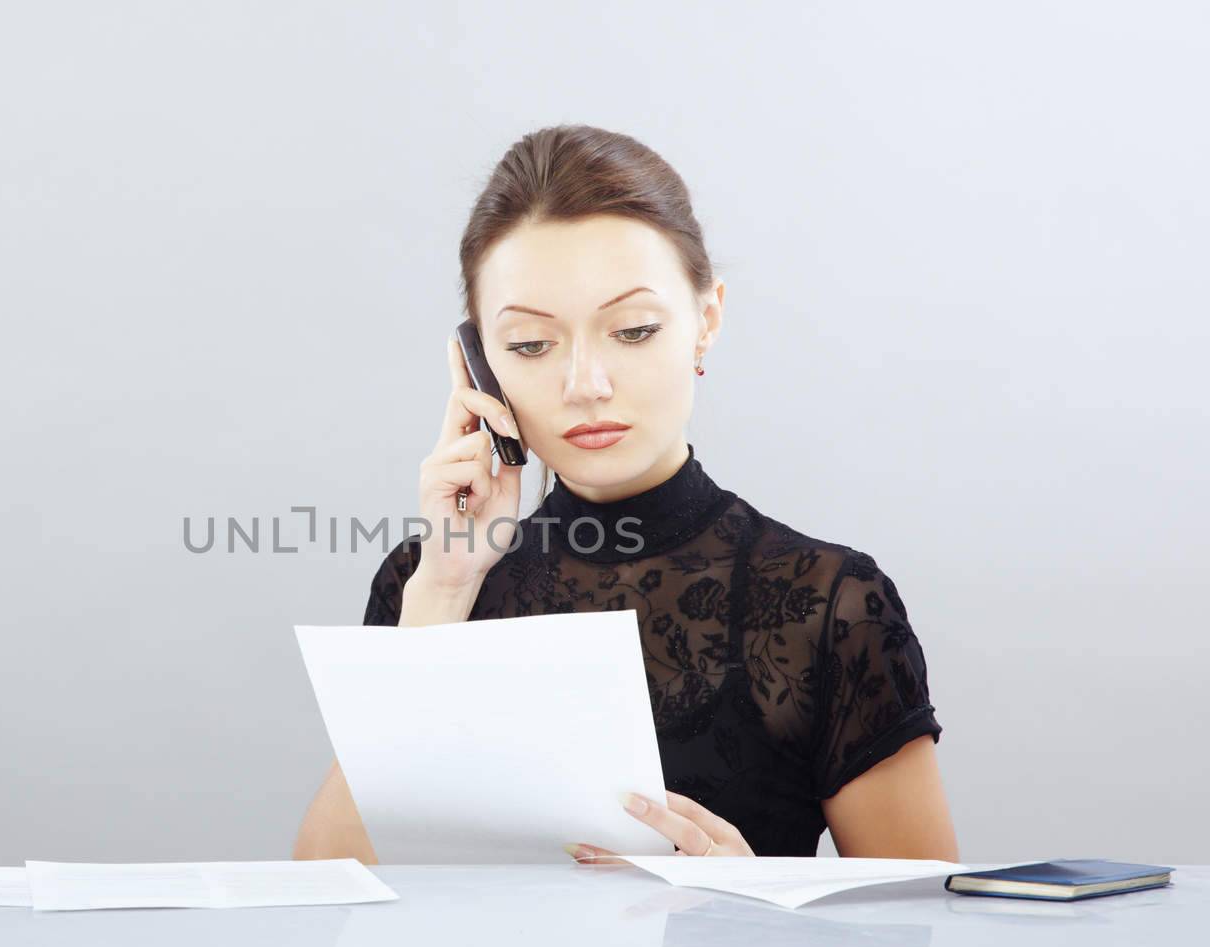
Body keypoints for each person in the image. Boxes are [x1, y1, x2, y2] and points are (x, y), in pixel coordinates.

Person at [292, 124, 958, 863]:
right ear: (478, 364)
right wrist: (442, 596)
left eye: (633, 331)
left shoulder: (831, 602)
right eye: (531, 346)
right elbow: (327, 893)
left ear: (706, 322)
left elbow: (918, 939)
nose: (586, 385)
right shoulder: (423, 584)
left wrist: (757, 904)